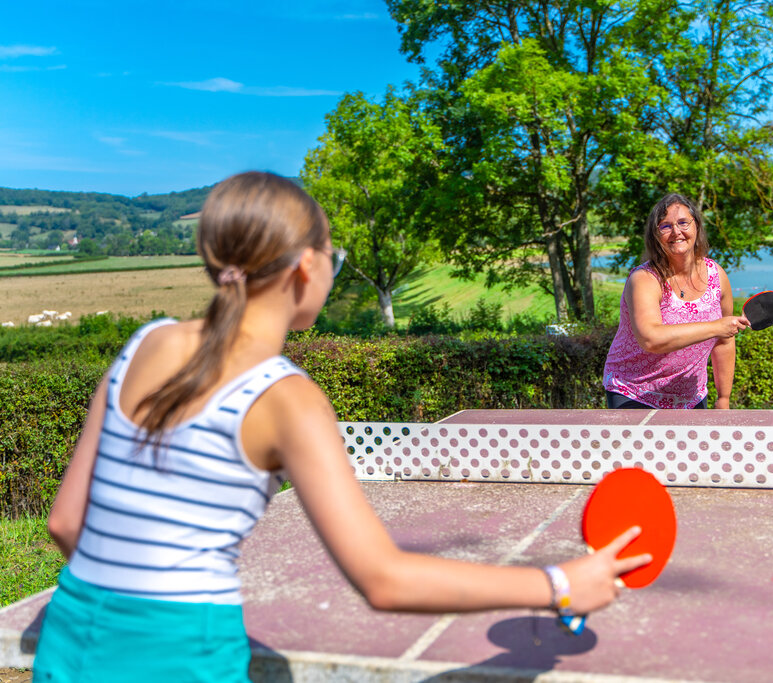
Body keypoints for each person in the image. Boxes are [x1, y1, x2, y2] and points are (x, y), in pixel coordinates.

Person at [36, 172, 648, 682]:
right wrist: (560, 582)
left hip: (71, 636)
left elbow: (66, 522)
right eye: (334, 256)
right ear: (306, 268)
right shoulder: (285, 397)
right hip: (184, 656)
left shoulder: (147, 341)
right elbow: (382, 579)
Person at [603, 193, 749, 410]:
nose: (676, 232)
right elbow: (651, 339)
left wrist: (723, 399)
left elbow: (724, 340)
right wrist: (716, 326)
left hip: (691, 396)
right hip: (635, 393)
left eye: (683, 222)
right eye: (665, 226)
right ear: (655, 235)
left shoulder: (717, 275)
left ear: (696, 226)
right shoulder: (644, 279)